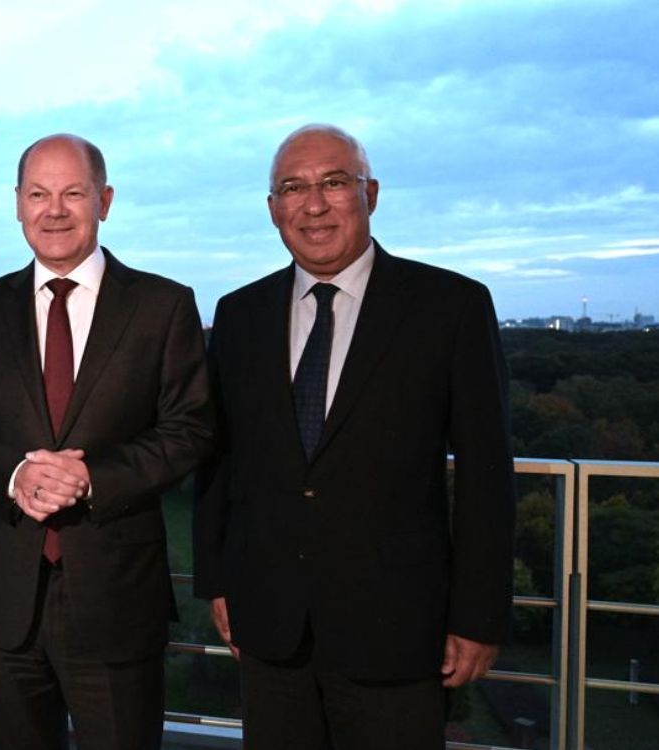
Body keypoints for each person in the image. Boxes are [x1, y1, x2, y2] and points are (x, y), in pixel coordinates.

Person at [193, 124, 516, 750]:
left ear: (370, 192)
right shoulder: (240, 314)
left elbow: (486, 475)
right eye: (293, 188)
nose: (313, 205)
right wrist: (219, 580)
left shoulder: (450, 306)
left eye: (334, 183)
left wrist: (478, 617)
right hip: (270, 624)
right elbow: (219, 459)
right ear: (273, 210)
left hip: (396, 629)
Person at [0, 134, 214, 749]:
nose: (53, 210)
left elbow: (190, 429)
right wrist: (15, 475)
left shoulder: (163, 306)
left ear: (104, 200)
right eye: (38, 194)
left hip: (117, 595)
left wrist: (92, 478)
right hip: (8, 599)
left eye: (72, 193)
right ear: (17, 204)